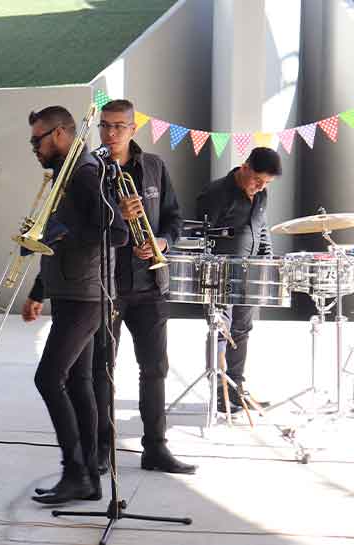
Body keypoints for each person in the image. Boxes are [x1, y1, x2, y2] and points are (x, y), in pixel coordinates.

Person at [21, 106, 128, 504]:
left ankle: (75, 470)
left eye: (38, 139)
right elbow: (58, 237)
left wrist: (64, 232)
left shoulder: (85, 173)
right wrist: (38, 288)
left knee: (48, 378)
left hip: (86, 293)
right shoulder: (66, 174)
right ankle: (87, 479)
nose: (34, 147)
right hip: (70, 290)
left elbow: (116, 231)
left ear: (60, 134)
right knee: (78, 382)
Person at [89, 99, 195, 475]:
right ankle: (101, 448)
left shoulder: (154, 167)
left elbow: (174, 219)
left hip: (150, 283)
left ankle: (156, 448)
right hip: (107, 284)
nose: (110, 133)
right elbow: (80, 225)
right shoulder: (89, 169)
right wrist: (118, 215)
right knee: (102, 369)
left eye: (119, 126)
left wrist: (162, 242)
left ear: (134, 129)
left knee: (155, 368)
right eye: (105, 125)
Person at [196, 147, 281, 413]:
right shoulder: (216, 193)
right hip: (221, 273)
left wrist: (267, 261)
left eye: (266, 183)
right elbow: (200, 234)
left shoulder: (261, 193)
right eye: (257, 180)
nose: (260, 186)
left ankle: (237, 389)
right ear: (244, 167)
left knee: (242, 329)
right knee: (221, 329)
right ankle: (220, 390)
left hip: (250, 272)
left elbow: (261, 228)